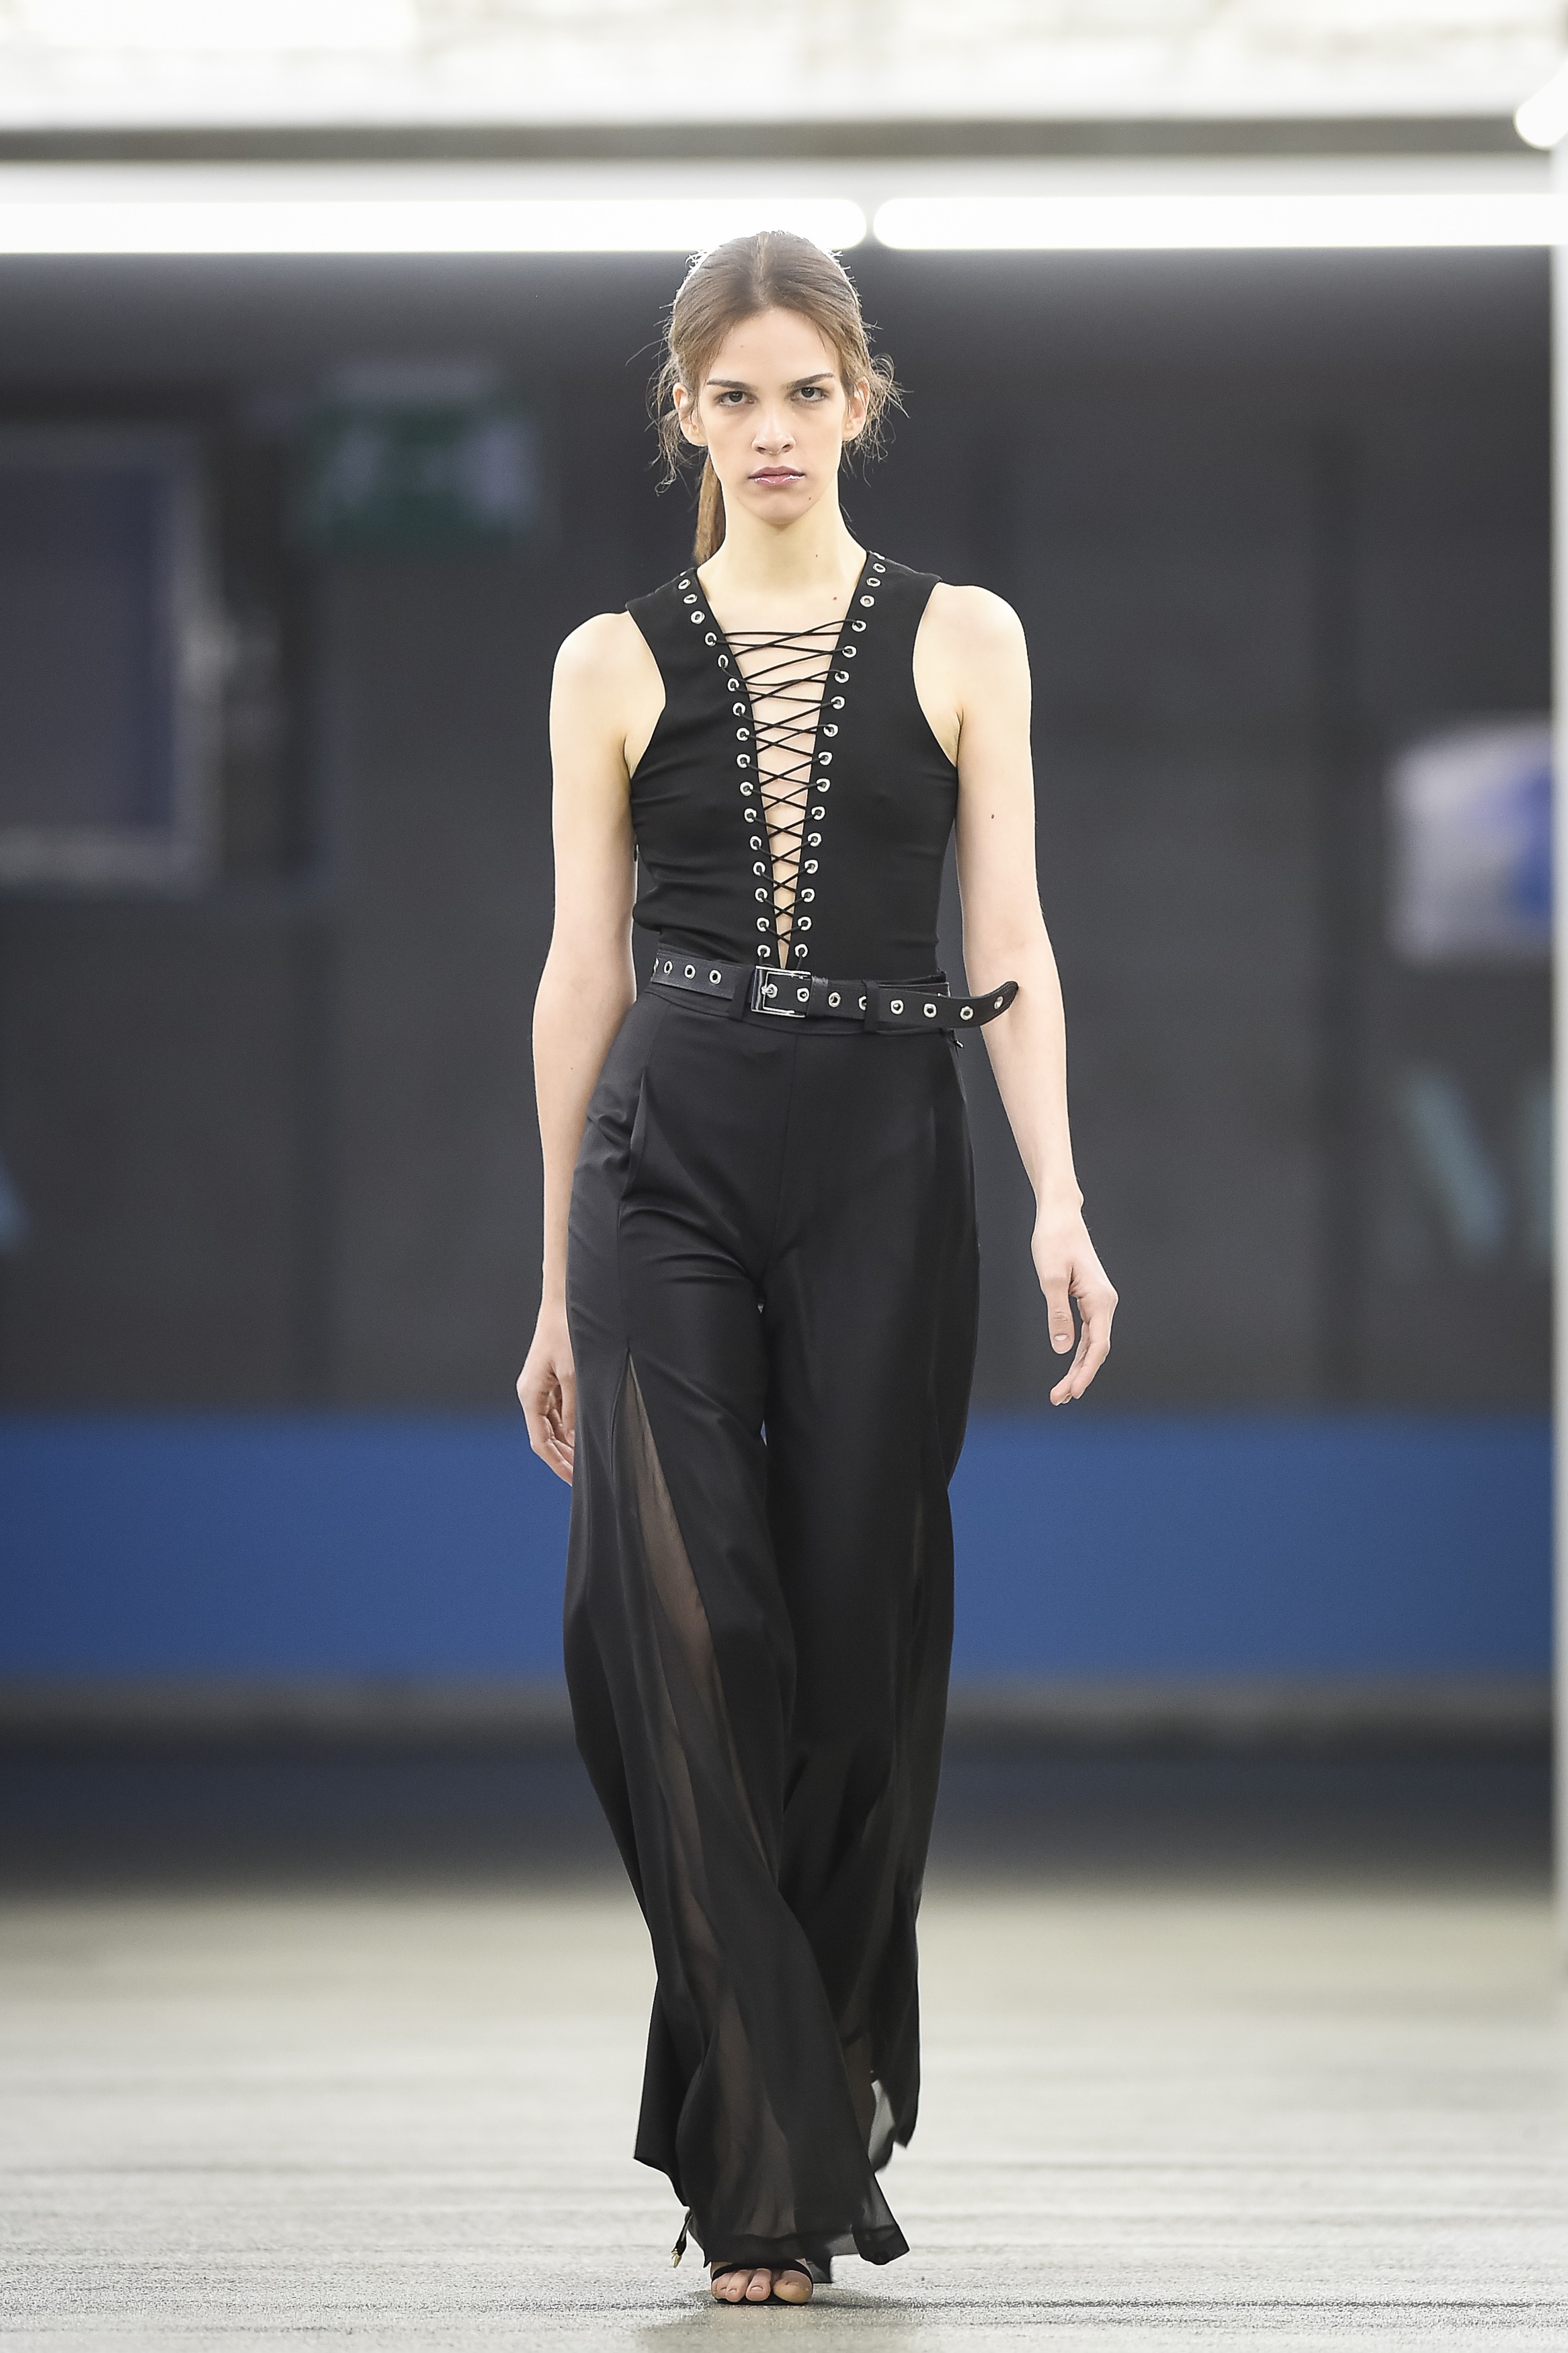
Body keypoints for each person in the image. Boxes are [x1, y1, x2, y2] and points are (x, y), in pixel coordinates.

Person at [517, 231, 1116, 2307]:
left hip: (886, 1145)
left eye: (804, 391)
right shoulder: (608, 660)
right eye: (733, 395)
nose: (770, 428)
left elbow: (1008, 939)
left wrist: (1058, 1193)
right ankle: (765, 2157)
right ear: (683, 412)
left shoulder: (968, 637)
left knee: (852, 1651)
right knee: (681, 1632)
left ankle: (801, 2081)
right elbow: (580, 971)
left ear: (861, 399)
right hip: (663, 1154)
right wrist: (549, 1281)